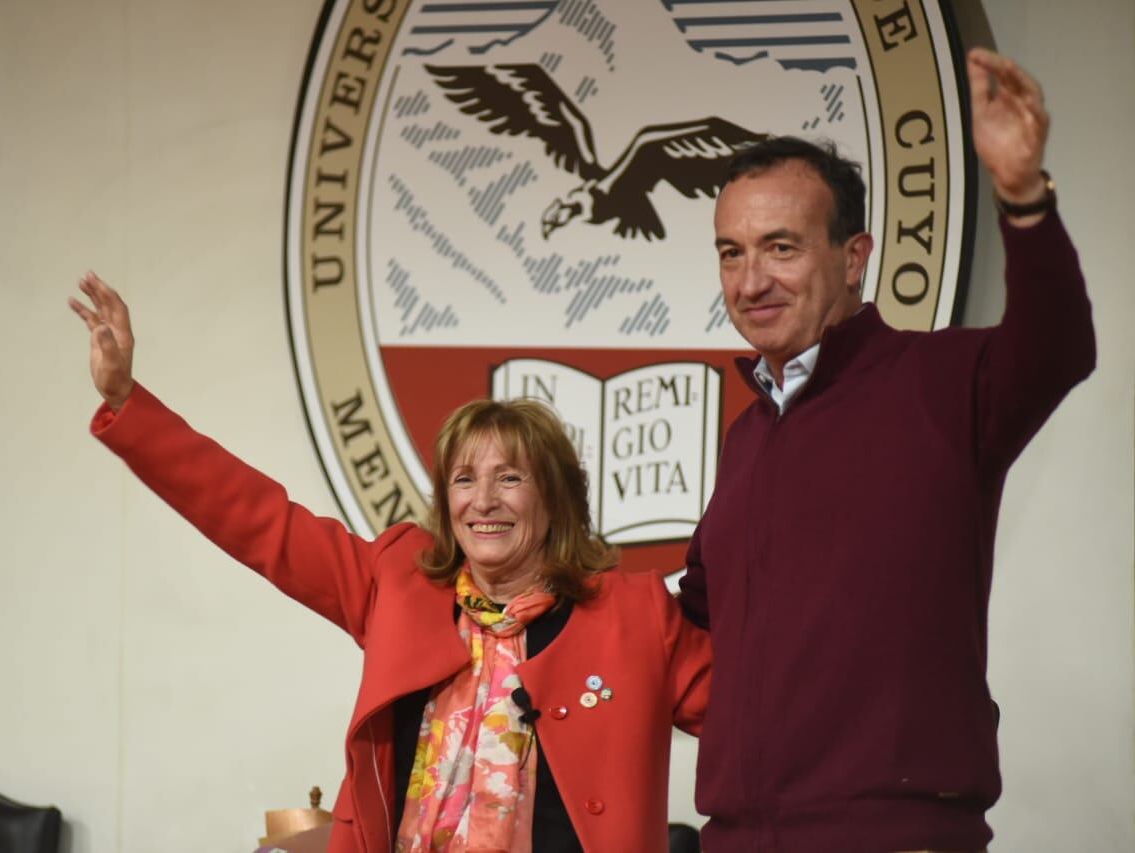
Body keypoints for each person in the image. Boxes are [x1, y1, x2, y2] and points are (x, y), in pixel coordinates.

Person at [69, 275, 711, 853]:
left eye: (509, 477)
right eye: (464, 480)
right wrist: (129, 403)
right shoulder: (398, 582)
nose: (483, 501)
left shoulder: (635, 615)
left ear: (555, 499)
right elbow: (256, 520)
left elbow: (756, 718)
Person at [678, 47, 1095, 852]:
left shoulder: (940, 381)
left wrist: (1023, 199)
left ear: (855, 257)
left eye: (781, 246)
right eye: (731, 251)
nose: (750, 279)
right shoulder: (746, 437)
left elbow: (1059, 347)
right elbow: (693, 623)